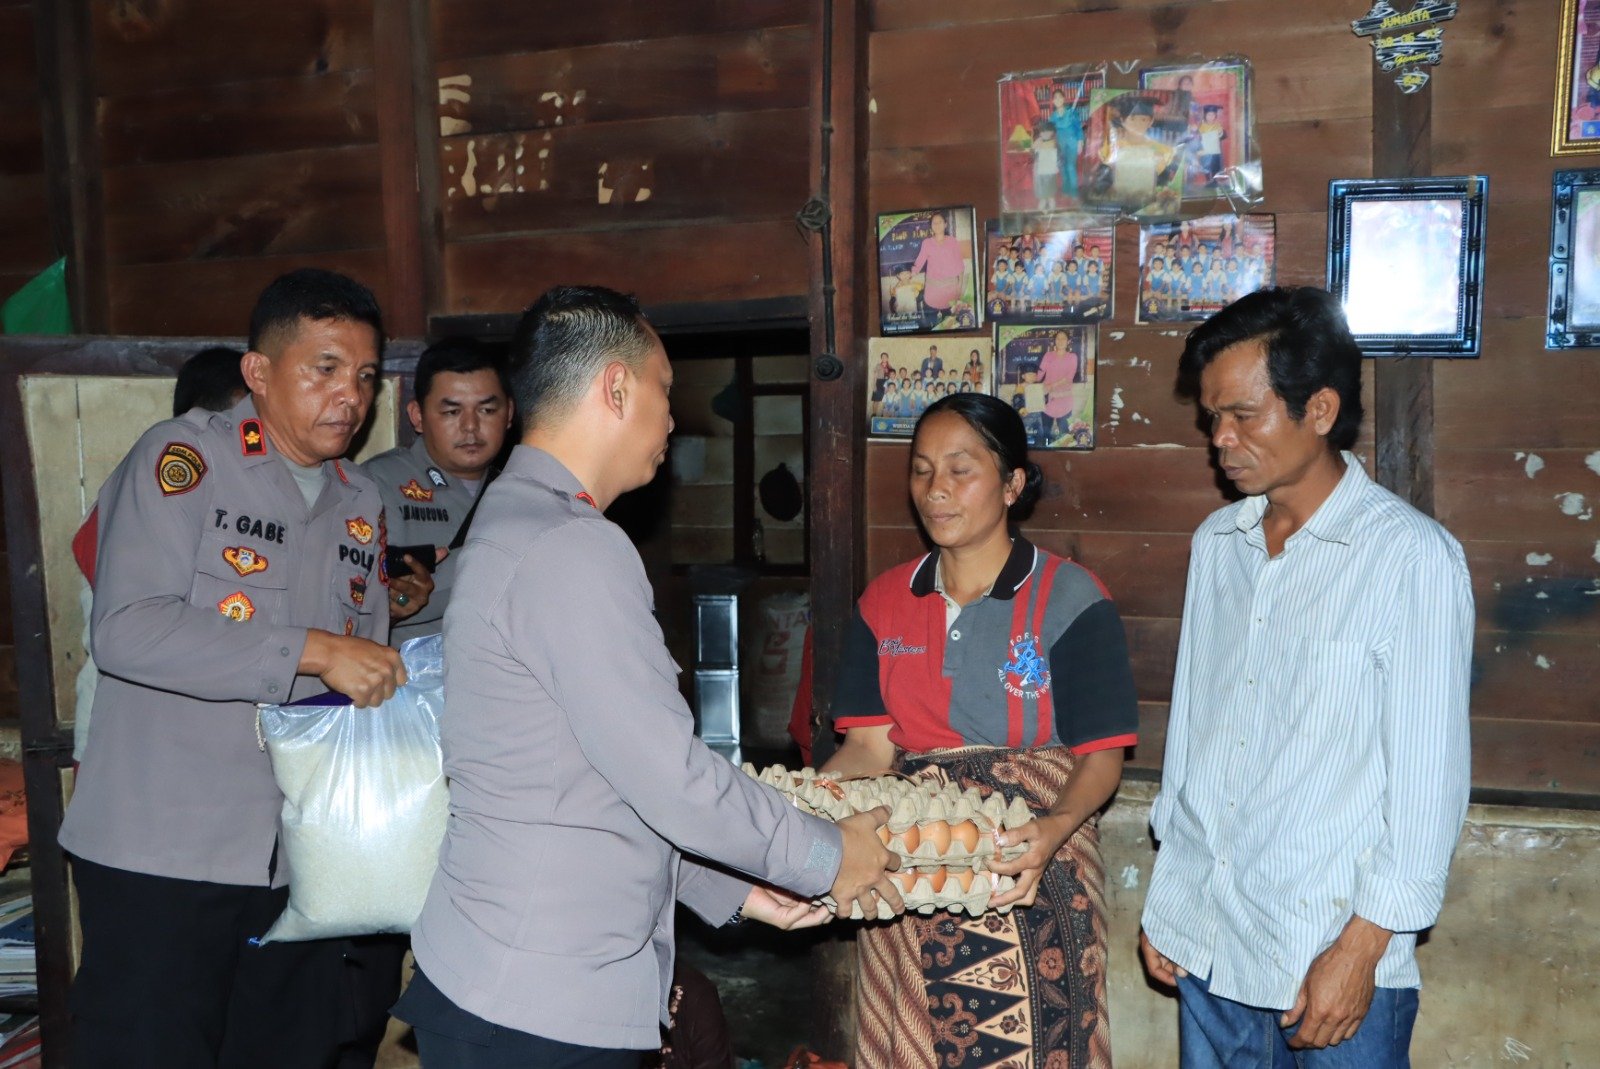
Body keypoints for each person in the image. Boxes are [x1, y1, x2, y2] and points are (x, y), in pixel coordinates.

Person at [395, 285, 902, 1067]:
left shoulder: (511, 516)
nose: (672, 417)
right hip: (538, 998)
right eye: (665, 390)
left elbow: (589, 772)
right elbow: (668, 775)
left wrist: (726, 887)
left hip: (501, 970)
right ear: (618, 388)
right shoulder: (572, 546)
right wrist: (829, 854)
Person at [60, 269, 410, 1068]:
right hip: (163, 857)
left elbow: (363, 676)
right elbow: (128, 630)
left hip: (296, 861)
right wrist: (314, 649)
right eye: (323, 368)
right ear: (259, 373)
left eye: (362, 376)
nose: (348, 396)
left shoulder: (363, 503)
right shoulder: (183, 461)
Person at [1139, 287, 1472, 1066]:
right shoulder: (1218, 544)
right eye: (1211, 418)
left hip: (1327, 957)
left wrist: (1359, 951)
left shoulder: (1410, 558)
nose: (1221, 437)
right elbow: (1194, 734)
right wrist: (1174, 901)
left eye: (1243, 415)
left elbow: (1428, 789)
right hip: (1213, 945)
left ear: (1319, 409)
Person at [822, 392, 1138, 1069]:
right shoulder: (883, 603)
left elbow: (1103, 756)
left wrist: (1051, 830)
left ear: (1013, 483)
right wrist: (805, 810)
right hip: (909, 866)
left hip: (1024, 865)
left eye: (960, 469)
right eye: (922, 470)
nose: (936, 491)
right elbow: (869, 748)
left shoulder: (1072, 598)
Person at [363, 336, 515, 648]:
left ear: (509, 414)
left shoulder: (522, 493)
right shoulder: (379, 483)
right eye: (451, 412)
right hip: (406, 685)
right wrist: (390, 607)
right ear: (417, 416)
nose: (470, 427)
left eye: (487, 410)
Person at [911, 211, 967, 326]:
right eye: (934, 223)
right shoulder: (926, 243)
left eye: (940, 222)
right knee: (931, 325)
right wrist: (910, 274)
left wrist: (960, 289)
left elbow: (960, 265)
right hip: (932, 292)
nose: (937, 224)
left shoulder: (952, 241)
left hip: (950, 291)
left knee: (950, 324)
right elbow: (919, 262)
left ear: (945, 224)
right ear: (931, 226)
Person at [1039, 330, 1081, 442]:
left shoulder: (1072, 357)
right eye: (1058, 338)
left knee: (1064, 436)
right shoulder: (1048, 356)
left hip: (1064, 400)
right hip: (1047, 400)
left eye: (1063, 338)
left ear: (1068, 341)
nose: (1060, 341)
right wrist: (1028, 381)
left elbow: (1069, 378)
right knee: (1045, 434)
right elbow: (1040, 373)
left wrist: (1051, 386)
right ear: (1054, 341)